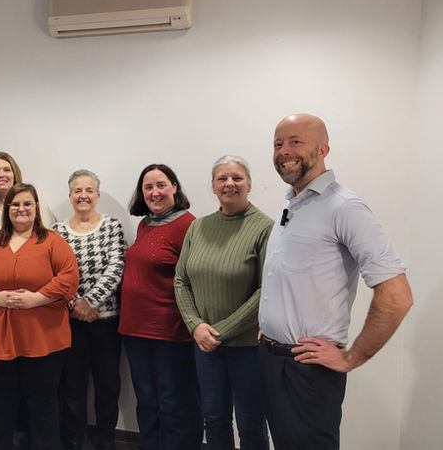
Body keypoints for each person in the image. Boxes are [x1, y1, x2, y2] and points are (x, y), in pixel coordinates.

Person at [258, 113, 413, 450]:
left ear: (323, 149)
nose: (284, 151)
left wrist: (351, 358)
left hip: (307, 370)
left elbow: (397, 295)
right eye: (278, 144)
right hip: (271, 359)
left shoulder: (345, 207)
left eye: (295, 142)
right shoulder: (291, 204)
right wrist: (270, 325)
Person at [0, 183, 79, 450]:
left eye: (27, 203)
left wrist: (37, 298)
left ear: (36, 207)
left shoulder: (53, 241)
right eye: (15, 204)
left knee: (43, 403)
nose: (21, 209)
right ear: (7, 209)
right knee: (1, 402)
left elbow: (69, 276)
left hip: (43, 338)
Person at [174, 156, 273, 450]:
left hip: (248, 348)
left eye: (237, 178)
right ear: (213, 186)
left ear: (249, 185)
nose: (230, 184)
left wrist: (219, 331)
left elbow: (267, 289)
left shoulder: (265, 228)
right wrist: (196, 326)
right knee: (214, 420)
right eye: (222, 179)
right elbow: (181, 280)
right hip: (205, 346)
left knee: (251, 424)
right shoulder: (198, 227)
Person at [118, 164, 203, 450]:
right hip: (135, 330)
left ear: (175, 187)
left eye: (161, 185)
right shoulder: (145, 224)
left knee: (174, 402)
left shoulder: (188, 225)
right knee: (147, 400)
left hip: (170, 331)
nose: (154, 192)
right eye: (148, 187)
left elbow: (192, 279)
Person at [52, 170, 126, 450]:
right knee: (72, 385)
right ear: (70, 196)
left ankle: (105, 439)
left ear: (97, 195)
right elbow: (55, 272)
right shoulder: (57, 231)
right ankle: (73, 440)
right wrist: (74, 303)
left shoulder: (112, 226)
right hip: (70, 321)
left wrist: (89, 302)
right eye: (77, 191)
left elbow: (116, 267)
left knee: (108, 385)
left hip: (106, 322)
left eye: (89, 190)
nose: (83, 195)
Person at [0, 151, 56, 240]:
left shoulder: (38, 203)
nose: (1, 175)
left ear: (14, 174)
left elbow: (51, 239)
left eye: (7, 170)